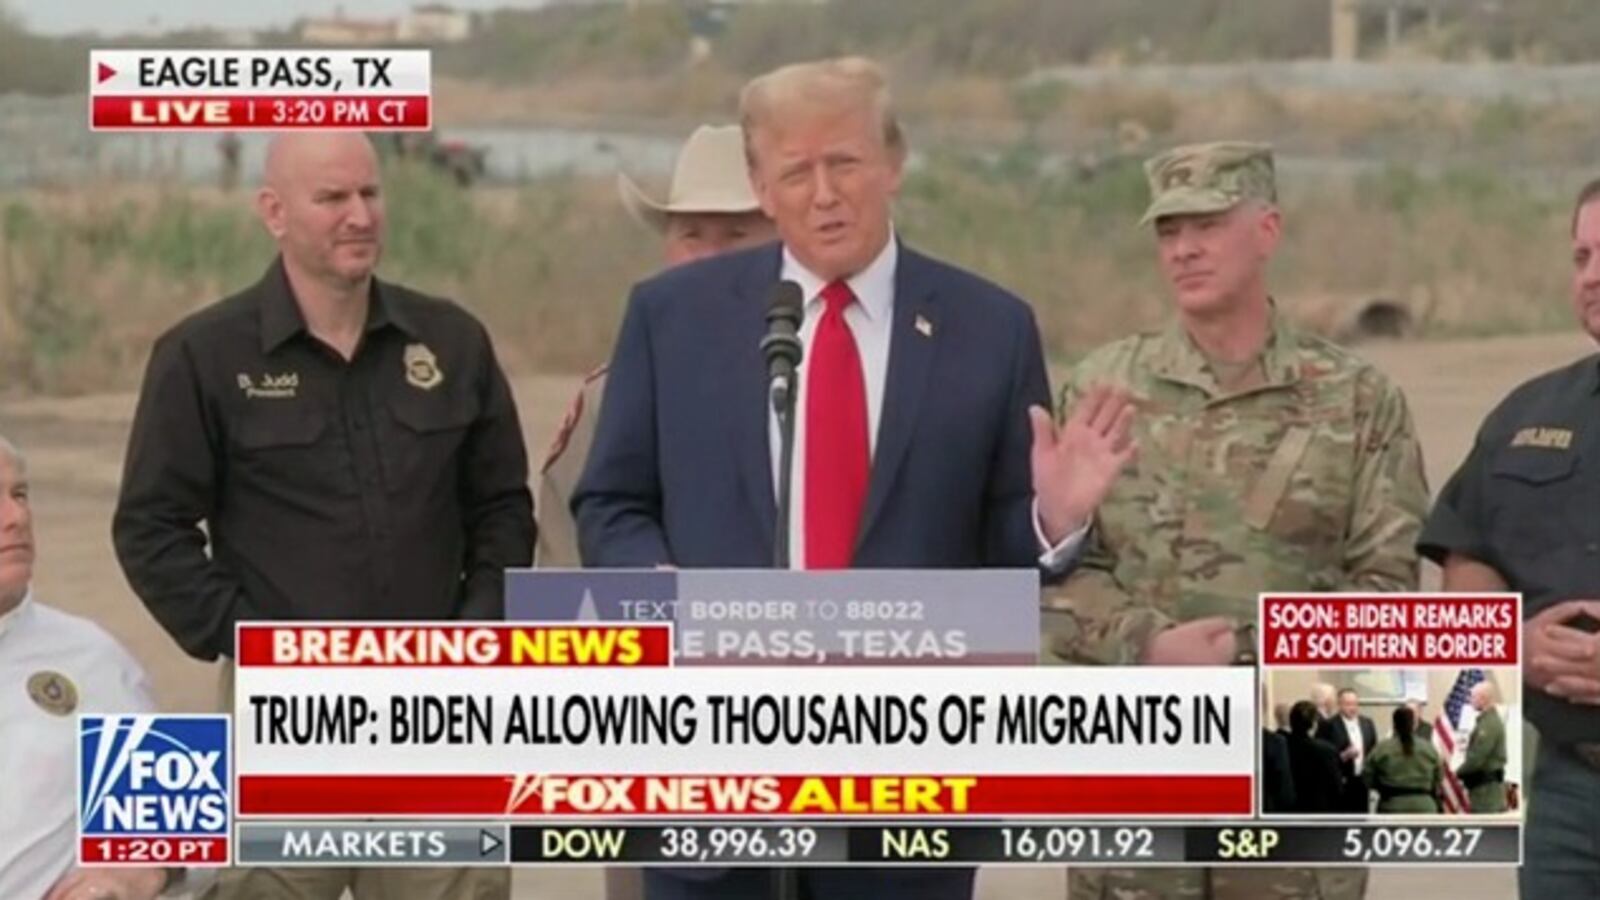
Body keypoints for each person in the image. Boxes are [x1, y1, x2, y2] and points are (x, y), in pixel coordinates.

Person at [575, 56, 1133, 900]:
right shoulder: (670, 318)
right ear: (763, 188)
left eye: (845, 163)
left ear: (894, 163)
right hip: (715, 769)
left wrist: (1052, 520)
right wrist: (653, 590)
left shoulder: (990, 327)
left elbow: (1000, 551)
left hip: (907, 790)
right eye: (796, 172)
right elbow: (611, 502)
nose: (824, 193)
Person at [111, 132, 532, 900]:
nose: (360, 215)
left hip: (434, 707)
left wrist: (476, 630)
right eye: (332, 198)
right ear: (273, 211)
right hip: (282, 717)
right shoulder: (203, 355)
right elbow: (150, 526)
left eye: (370, 193)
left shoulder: (451, 341)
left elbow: (502, 506)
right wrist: (250, 641)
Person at [1042, 142, 1430, 900]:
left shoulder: (1356, 401)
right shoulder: (1102, 390)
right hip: (1139, 800)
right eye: (1167, 232)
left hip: (1289, 798)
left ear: (1268, 230)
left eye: (1207, 226)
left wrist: (1235, 656)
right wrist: (1147, 642)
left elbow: (1386, 597)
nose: (1183, 249)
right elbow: (1057, 574)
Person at [1418, 177, 1600, 894]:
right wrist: (1509, 645)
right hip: (1570, 794)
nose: (1592, 276)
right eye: (1582, 256)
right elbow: (1468, 554)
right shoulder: (1529, 415)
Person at [537, 124, 775, 568]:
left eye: (736, 235)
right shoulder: (608, 399)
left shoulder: (839, 380)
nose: (708, 258)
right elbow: (566, 572)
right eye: (691, 234)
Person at [0, 435, 169, 900]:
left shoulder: (90, 657)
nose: (17, 518)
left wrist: (136, 871)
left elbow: (177, 826)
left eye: (19, 495)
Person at [1364, 706, 1443, 814]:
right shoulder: (1429, 749)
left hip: (1391, 806)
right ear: (1413, 724)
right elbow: (1438, 777)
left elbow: (1367, 777)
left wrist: (1382, 788)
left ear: (1394, 725)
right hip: (1425, 807)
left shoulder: (1381, 749)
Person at [1317, 688, 1379, 813]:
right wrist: (1342, 756)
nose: (1353, 708)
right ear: (1339, 705)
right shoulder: (1328, 725)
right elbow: (1322, 757)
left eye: (1355, 703)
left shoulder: (1367, 723)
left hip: (1362, 783)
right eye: (1348, 704)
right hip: (1341, 783)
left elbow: (1374, 749)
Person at [1457, 681, 1509, 813]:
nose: (1470, 700)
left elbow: (1477, 758)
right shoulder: (1485, 722)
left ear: (1483, 699)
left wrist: (1459, 772)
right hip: (1483, 788)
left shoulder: (1488, 725)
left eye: (1473, 697)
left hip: (1486, 792)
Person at [1286, 701, 1345, 815]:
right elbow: (1336, 788)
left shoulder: (1282, 745)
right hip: (1319, 811)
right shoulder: (1326, 750)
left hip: (1288, 811)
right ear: (1314, 724)